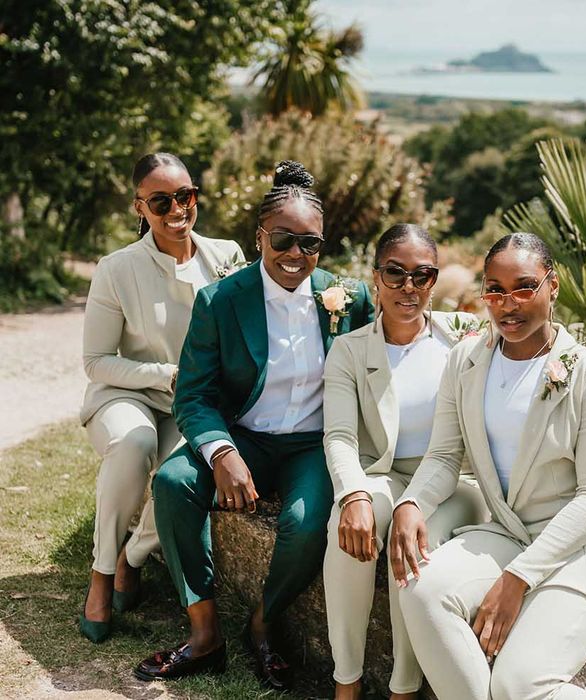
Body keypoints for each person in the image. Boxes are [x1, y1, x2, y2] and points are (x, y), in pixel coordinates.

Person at [134, 160, 375, 689]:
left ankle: (262, 625)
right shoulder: (220, 301)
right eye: (283, 240)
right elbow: (194, 396)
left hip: (313, 443)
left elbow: (397, 341)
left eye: (309, 244)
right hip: (242, 434)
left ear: (322, 245)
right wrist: (221, 452)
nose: (295, 255)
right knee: (173, 484)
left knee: (307, 522)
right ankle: (204, 633)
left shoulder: (347, 299)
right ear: (260, 236)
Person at [389, 233, 586, 700]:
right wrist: (411, 502)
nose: (508, 304)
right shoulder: (465, 361)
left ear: (552, 286)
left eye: (524, 287)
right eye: (495, 290)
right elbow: (444, 455)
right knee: (420, 590)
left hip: (579, 546)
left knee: (518, 684)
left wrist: (519, 578)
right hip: (507, 531)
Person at [79, 152, 245, 643]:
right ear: (140, 207)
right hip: (126, 393)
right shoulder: (116, 269)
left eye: (186, 196)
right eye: (161, 200)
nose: (177, 208)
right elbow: (96, 360)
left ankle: (134, 556)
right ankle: (102, 574)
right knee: (133, 445)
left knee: (183, 471)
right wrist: (165, 374)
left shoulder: (227, 256)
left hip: (192, 406)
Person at [322, 224, 488, 700]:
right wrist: (353, 494)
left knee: (415, 537)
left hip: (456, 481)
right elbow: (338, 436)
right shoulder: (349, 350)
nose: (408, 287)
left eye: (422, 275)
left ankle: (403, 688)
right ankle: (346, 680)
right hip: (386, 474)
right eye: (395, 273)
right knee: (348, 524)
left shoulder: (462, 337)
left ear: (434, 280)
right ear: (375, 277)